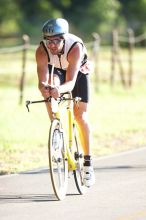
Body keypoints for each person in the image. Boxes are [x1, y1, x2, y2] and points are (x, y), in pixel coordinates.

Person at [36, 18, 95, 187]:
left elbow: (70, 82)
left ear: (64, 38)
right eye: (48, 41)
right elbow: (42, 81)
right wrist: (46, 88)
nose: (52, 45)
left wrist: (60, 90)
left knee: (80, 115)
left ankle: (88, 164)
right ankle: (55, 127)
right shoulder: (41, 51)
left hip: (78, 72)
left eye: (56, 41)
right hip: (58, 71)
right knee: (49, 86)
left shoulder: (75, 47)